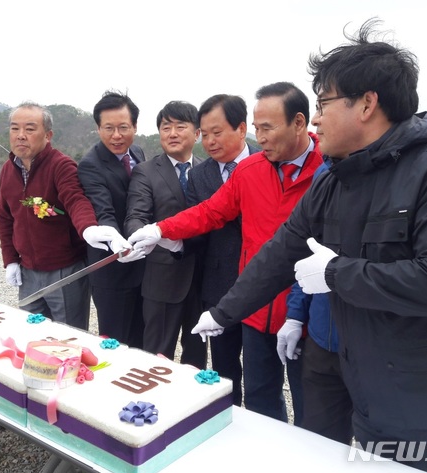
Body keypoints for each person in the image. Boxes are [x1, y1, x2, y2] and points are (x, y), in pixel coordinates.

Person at [191, 19, 427, 473]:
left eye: (322, 104)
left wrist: (336, 274)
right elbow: (283, 250)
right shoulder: (335, 178)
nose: (315, 118)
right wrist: (223, 313)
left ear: (367, 104)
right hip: (370, 389)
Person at [129, 83, 324, 422]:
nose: (261, 138)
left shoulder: (327, 172)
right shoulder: (250, 171)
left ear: (298, 122)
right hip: (254, 307)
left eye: (267, 128)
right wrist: (159, 230)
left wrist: (299, 314)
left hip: (306, 314)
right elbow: (209, 212)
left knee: (313, 410)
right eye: (258, 127)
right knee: (261, 400)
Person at [0, 101, 128, 329]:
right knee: (29, 334)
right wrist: (10, 261)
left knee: (68, 338)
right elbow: (5, 218)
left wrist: (89, 229)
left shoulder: (61, 166)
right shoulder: (8, 170)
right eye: (14, 128)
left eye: (29, 129)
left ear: (47, 135)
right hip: (27, 272)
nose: (20, 136)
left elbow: (75, 199)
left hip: (65, 271)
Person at [186, 94, 260, 406]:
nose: (210, 141)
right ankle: (228, 420)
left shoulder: (267, 162)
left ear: (241, 129)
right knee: (226, 366)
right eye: (204, 135)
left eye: (218, 132)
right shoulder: (199, 174)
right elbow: (195, 225)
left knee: (261, 369)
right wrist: (170, 240)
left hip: (260, 282)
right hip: (218, 285)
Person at [124, 101, 207, 368]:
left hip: (204, 280)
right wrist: (139, 236)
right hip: (162, 279)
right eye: (165, 127)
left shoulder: (208, 170)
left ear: (197, 134)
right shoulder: (146, 171)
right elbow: (136, 215)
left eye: (180, 127)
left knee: (197, 359)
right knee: (156, 357)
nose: (172, 133)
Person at [278, 160, 354, 445]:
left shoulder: (419, 171)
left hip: (377, 352)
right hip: (322, 342)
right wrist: (295, 316)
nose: (317, 120)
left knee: (385, 456)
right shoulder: (326, 174)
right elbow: (308, 257)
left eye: (324, 111)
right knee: (321, 442)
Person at [77, 91, 147, 348]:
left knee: (141, 340)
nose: (116, 136)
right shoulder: (91, 164)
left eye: (123, 127)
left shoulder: (137, 152)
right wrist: (116, 242)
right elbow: (102, 210)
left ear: (135, 127)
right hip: (111, 269)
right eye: (108, 128)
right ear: (98, 128)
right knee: (115, 342)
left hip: (142, 265)